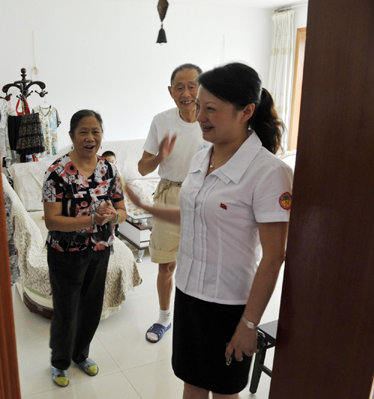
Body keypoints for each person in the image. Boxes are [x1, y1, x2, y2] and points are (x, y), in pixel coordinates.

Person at [127, 62, 293, 398]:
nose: (199, 116)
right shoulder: (204, 157)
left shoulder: (268, 173)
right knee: (192, 380)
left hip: (228, 303)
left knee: (223, 390)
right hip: (189, 293)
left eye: (211, 109)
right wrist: (146, 207)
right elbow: (192, 213)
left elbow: (274, 257)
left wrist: (249, 324)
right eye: (199, 106)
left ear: (246, 111)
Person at [42, 110, 126, 388]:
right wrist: (91, 219)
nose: (90, 138)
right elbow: (52, 221)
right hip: (65, 252)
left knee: (91, 308)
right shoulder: (56, 172)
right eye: (83, 132)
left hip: (100, 249)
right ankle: (60, 363)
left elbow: (123, 211)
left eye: (96, 132)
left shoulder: (110, 169)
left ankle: (80, 355)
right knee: (66, 311)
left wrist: (112, 215)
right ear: (72, 136)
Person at [138, 63, 205, 343]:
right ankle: (164, 318)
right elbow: (142, 169)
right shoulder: (161, 120)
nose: (186, 92)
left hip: (204, 196)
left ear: (202, 89)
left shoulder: (212, 119)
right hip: (169, 195)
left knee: (202, 264)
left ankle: (198, 319)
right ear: (170, 91)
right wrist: (160, 155)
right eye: (180, 87)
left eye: (192, 85)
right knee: (166, 265)